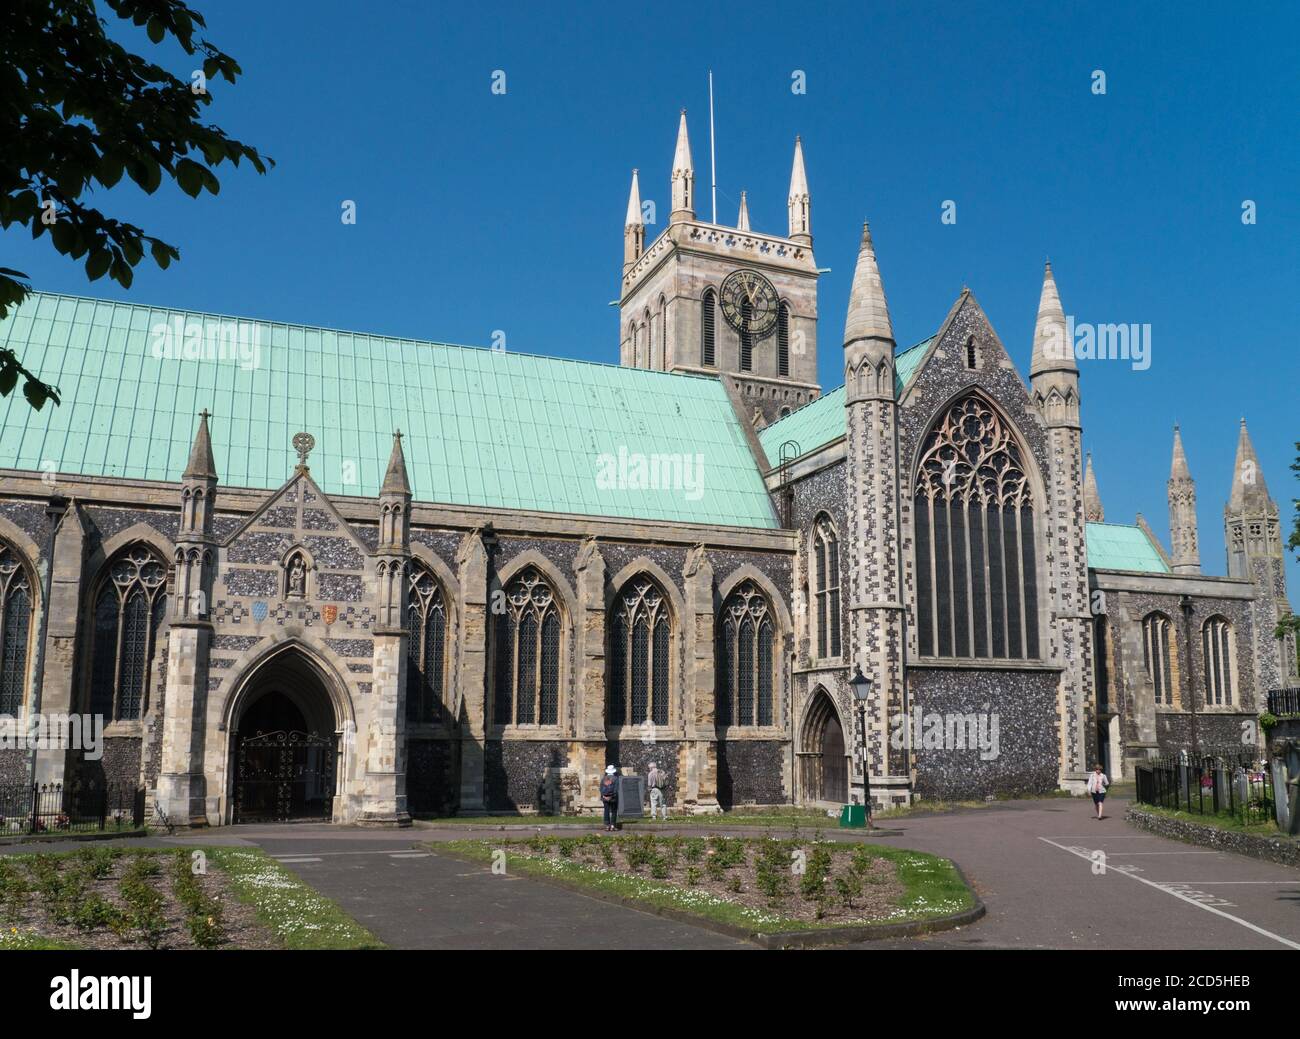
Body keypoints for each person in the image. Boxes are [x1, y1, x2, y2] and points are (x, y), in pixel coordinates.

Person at [599, 765, 620, 831]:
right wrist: (611, 796)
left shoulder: (603, 778)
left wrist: (604, 796)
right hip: (613, 798)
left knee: (606, 810)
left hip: (605, 797)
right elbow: (616, 789)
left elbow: (600, 789)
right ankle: (613, 825)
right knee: (614, 811)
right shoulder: (616, 778)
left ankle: (607, 825)